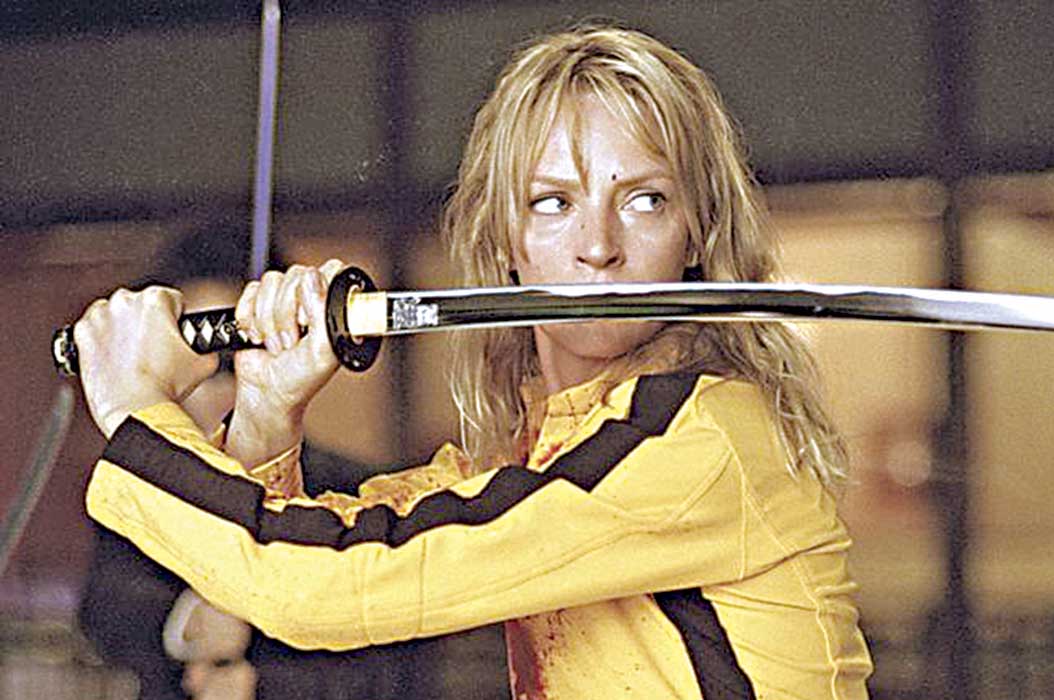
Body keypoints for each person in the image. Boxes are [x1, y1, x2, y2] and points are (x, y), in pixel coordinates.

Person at [72, 24, 873, 698]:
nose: (598, 246)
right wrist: (266, 417)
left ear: (697, 229)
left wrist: (135, 410)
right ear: (505, 243)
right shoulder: (534, 459)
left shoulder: (700, 439)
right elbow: (316, 556)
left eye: (644, 199)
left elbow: (332, 590)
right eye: (553, 202)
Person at [76, 220, 485, 699]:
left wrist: (264, 682)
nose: (225, 381)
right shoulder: (145, 491)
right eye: (201, 360)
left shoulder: (354, 488)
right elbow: (107, 612)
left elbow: (400, 663)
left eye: (238, 357)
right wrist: (189, 618)